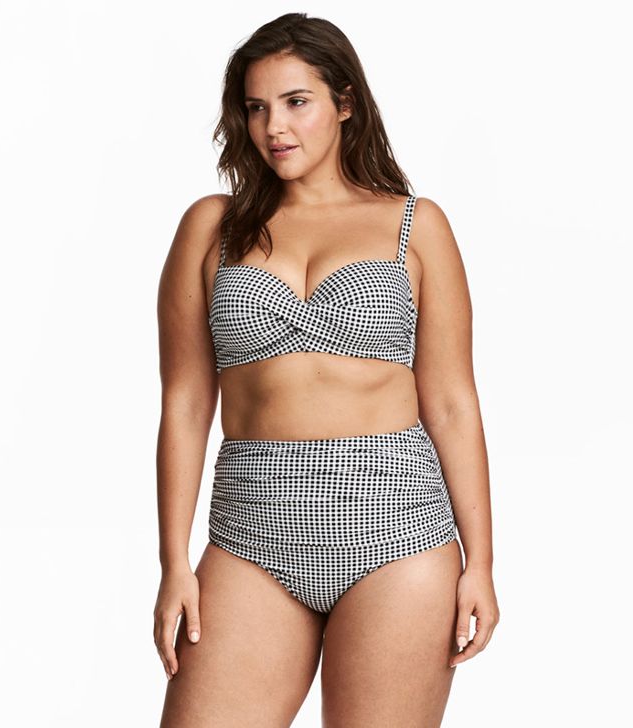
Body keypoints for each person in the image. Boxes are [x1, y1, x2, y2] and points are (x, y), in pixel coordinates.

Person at [154, 11, 499, 728]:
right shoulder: (212, 227)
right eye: (256, 107)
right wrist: (174, 563)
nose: (274, 127)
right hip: (249, 534)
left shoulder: (415, 226)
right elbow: (185, 403)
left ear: (345, 102)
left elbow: (452, 403)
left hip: (399, 532)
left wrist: (482, 565)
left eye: (295, 102)